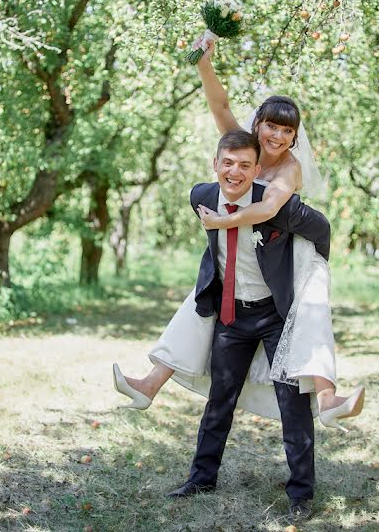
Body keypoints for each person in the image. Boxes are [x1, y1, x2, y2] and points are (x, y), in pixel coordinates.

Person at [113, 39, 364, 430]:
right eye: (271, 126)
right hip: (252, 249)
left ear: (294, 137)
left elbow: (267, 209)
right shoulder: (243, 147)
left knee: (311, 312)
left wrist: (219, 222)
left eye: (286, 131)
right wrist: (204, 64)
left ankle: (329, 399)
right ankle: (148, 384)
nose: (277, 137)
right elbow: (220, 106)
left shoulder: (290, 170)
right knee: (201, 301)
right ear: (257, 125)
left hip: (295, 251)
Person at [165, 130, 326, 516]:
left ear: (257, 170)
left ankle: (301, 494)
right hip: (232, 316)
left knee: (293, 403)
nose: (234, 172)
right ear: (216, 164)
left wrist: (314, 276)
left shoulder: (277, 206)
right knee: (221, 398)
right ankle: (201, 477)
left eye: (243, 165)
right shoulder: (201, 197)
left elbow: (321, 230)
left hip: (275, 316)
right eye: (227, 163)